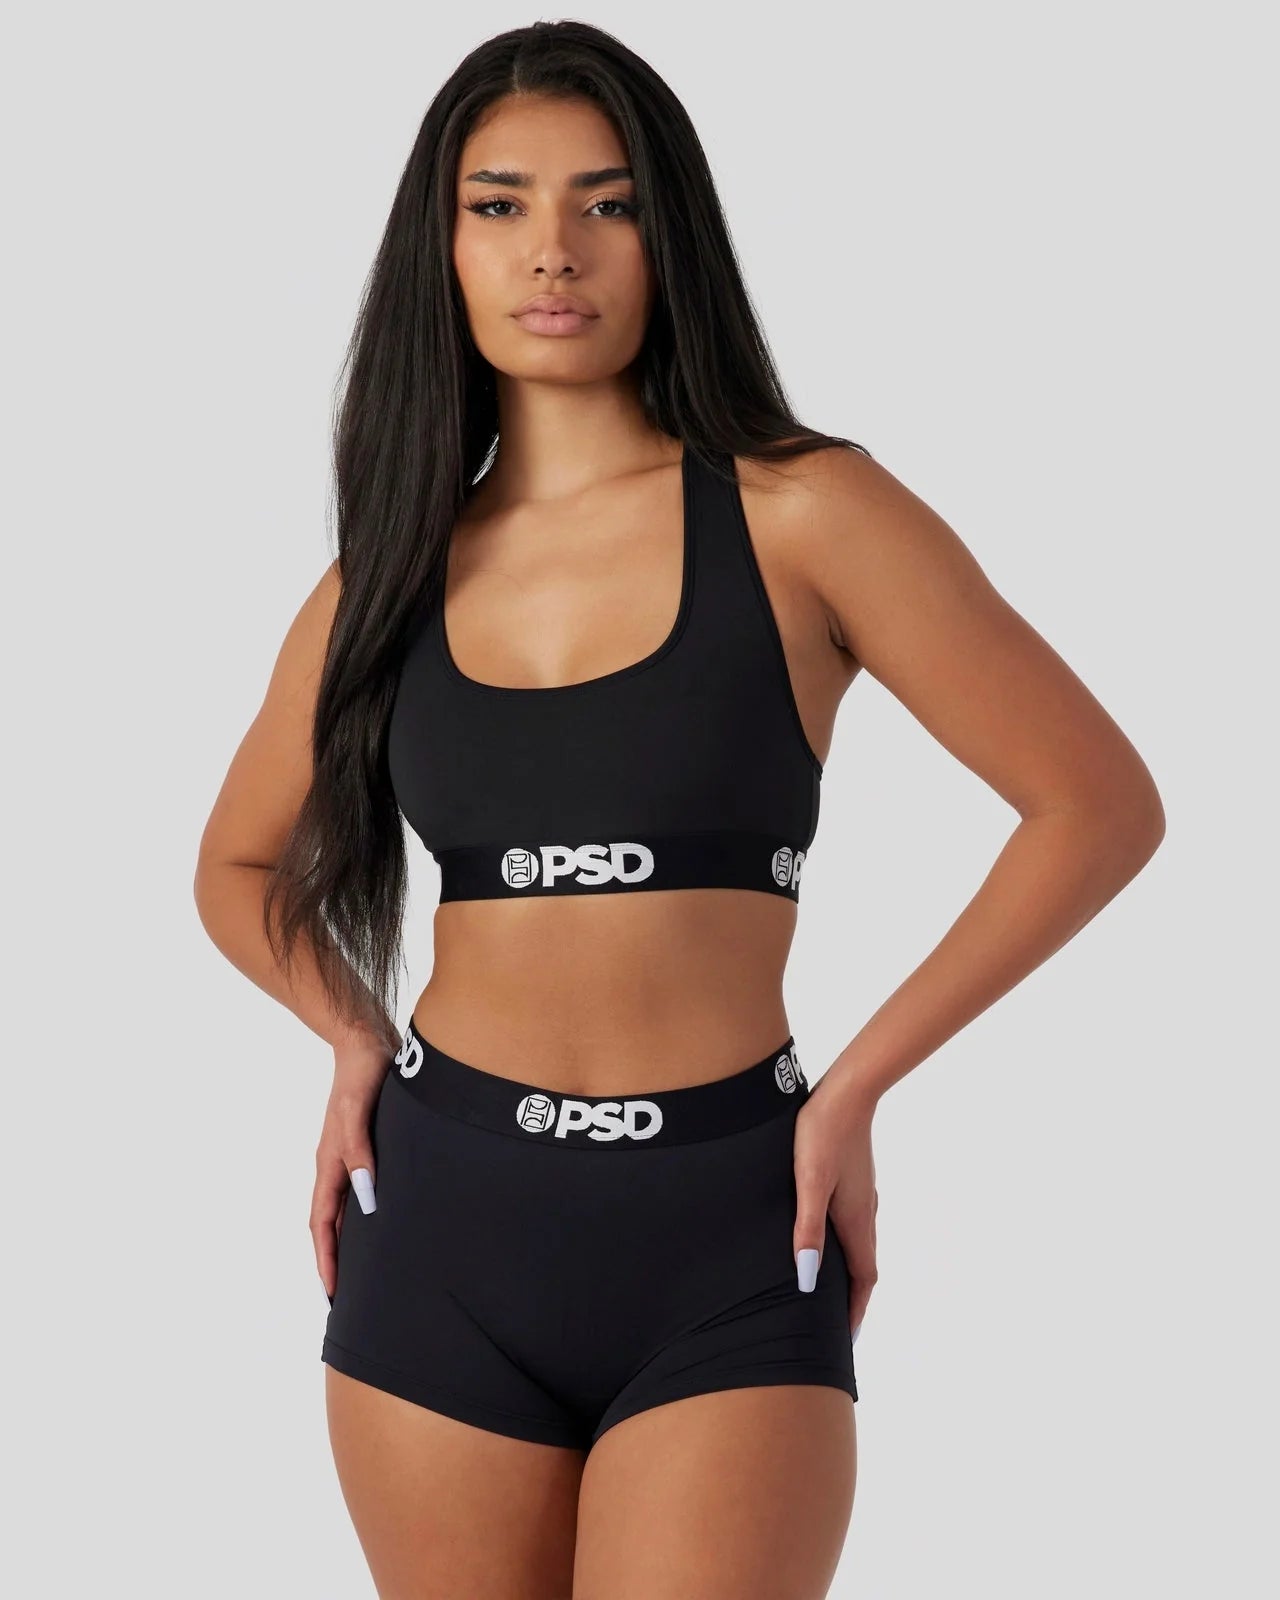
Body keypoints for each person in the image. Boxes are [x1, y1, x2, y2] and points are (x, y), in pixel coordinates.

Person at [193, 19, 1165, 1599]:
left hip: (731, 1227)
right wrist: (351, 1032)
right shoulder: (386, 573)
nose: (553, 250)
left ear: (673, 236)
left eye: (610, 202)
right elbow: (235, 863)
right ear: (442, 245)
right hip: (444, 1226)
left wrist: (853, 1090)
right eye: (499, 204)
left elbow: (1095, 805)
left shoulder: (808, 513)